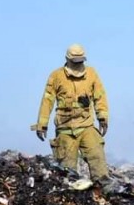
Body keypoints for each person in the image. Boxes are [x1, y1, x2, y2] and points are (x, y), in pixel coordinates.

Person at [34, 43, 110, 183]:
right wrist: (42, 124)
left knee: (98, 161)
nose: (78, 65)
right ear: (68, 59)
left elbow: (100, 96)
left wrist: (103, 117)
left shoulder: (91, 74)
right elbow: (47, 101)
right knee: (68, 173)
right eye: (75, 62)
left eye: (80, 61)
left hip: (86, 126)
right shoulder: (56, 76)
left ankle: (106, 195)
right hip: (65, 130)